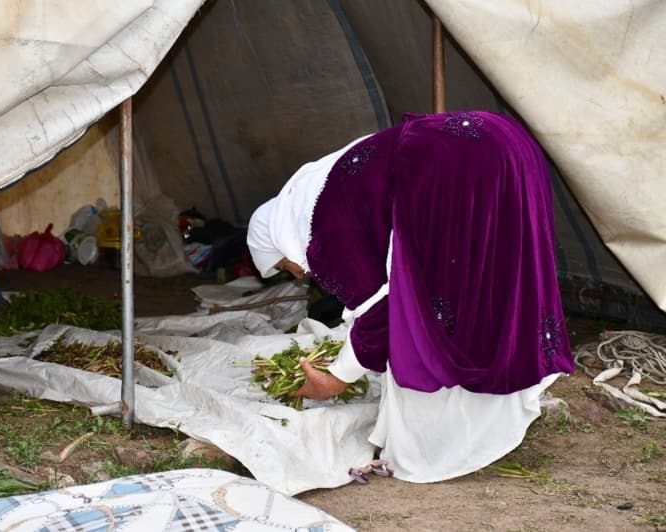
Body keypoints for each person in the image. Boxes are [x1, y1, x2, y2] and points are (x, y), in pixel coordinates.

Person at [246, 110, 575, 483]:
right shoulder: (324, 184)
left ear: (280, 241)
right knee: (490, 277)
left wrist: (335, 379)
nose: (303, 273)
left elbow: (378, 311)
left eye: (288, 267)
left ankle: (455, 430)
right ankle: (509, 371)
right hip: (505, 141)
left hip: (464, 160)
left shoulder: (323, 228)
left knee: (431, 321)